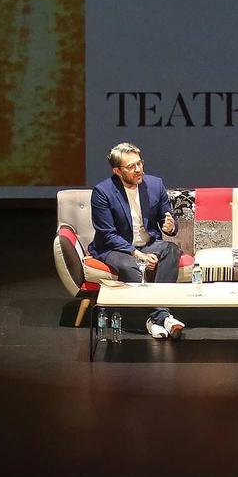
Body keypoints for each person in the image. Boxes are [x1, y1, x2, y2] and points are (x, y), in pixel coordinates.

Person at [89, 142, 185, 338]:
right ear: (117, 170)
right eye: (131, 166)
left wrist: (170, 226)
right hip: (116, 248)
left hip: (149, 243)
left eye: (139, 163)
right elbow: (107, 234)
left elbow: (168, 218)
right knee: (131, 266)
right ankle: (164, 318)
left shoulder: (155, 184)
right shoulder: (102, 192)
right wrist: (138, 254)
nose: (138, 169)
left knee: (171, 250)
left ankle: (155, 320)